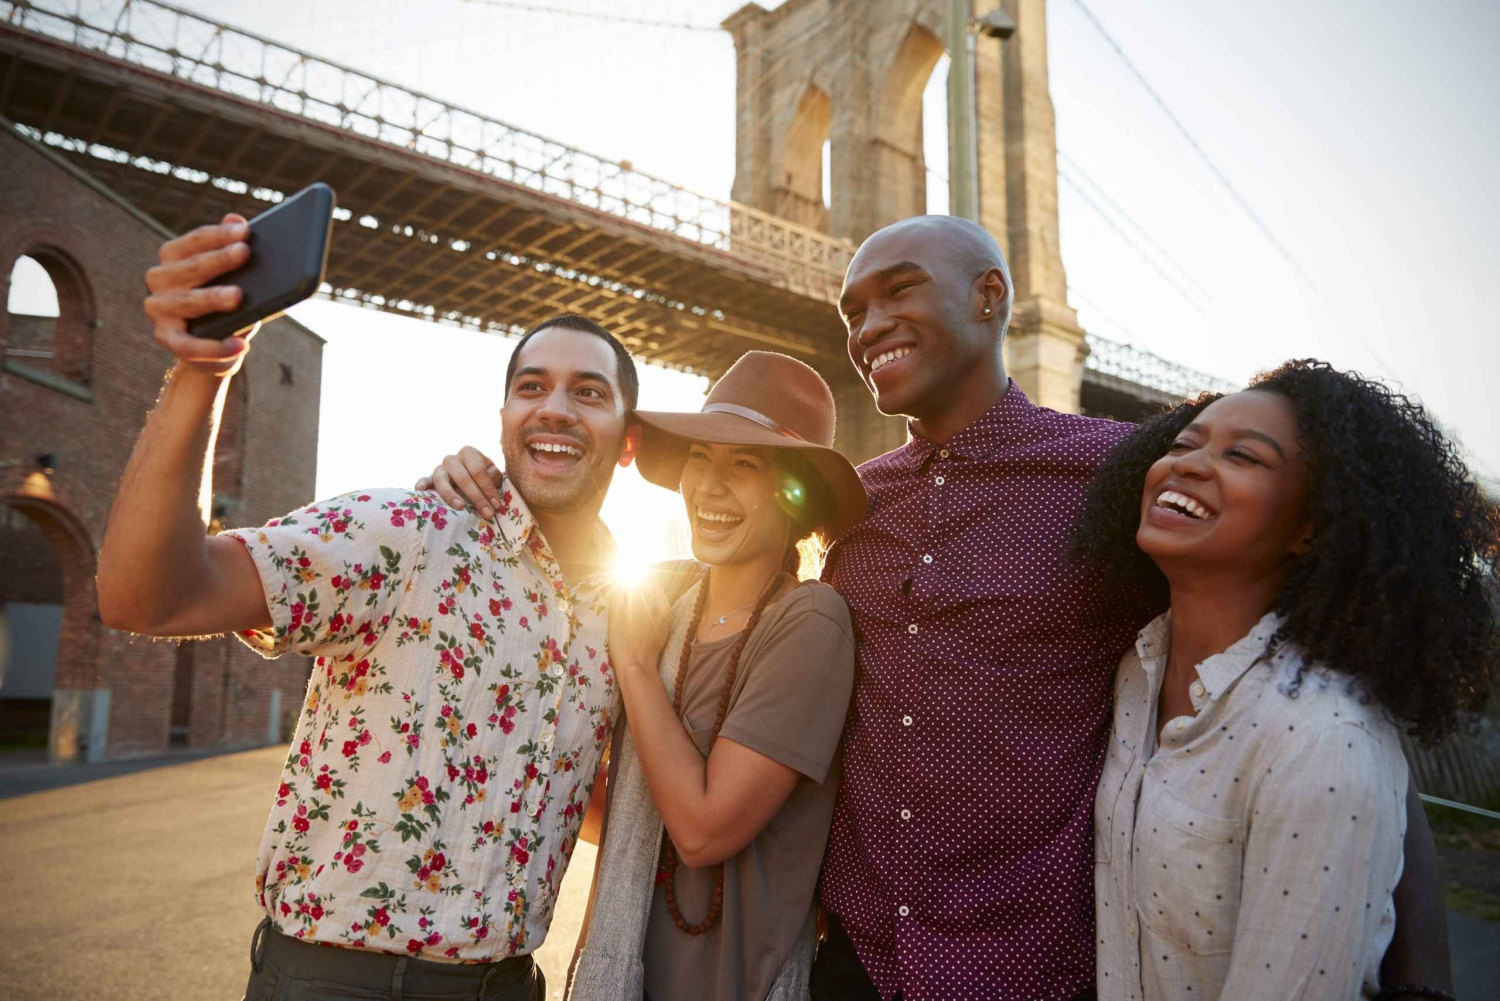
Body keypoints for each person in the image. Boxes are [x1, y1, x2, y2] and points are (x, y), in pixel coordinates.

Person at [420, 215, 1451, 1001]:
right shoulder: (854, 506)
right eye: (852, 311)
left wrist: (1422, 969)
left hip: (1034, 965)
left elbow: (1311, 677)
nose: (869, 326)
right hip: (853, 965)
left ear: (994, 295)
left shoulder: (1118, 474)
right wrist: (484, 487)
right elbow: (662, 590)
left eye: (897, 291)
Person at [95, 214, 644, 1001]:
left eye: (589, 393)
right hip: (334, 982)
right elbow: (146, 594)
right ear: (502, 420)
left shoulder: (622, 617)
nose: (555, 407)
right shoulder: (404, 533)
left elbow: (587, 804)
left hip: (509, 986)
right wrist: (202, 372)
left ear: (627, 440)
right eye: (532, 387)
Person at [1074, 360, 1496, 1000]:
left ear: (1312, 527)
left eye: (1243, 456)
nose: (1184, 464)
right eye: (1183, 444)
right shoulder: (1138, 671)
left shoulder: (1323, 738)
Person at [567, 351, 865, 1001]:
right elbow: (597, 808)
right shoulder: (661, 595)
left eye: (744, 464)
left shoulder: (810, 620)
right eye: (700, 456)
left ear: (796, 492)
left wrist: (640, 670)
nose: (708, 487)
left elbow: (702, 831)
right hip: (617, 974)